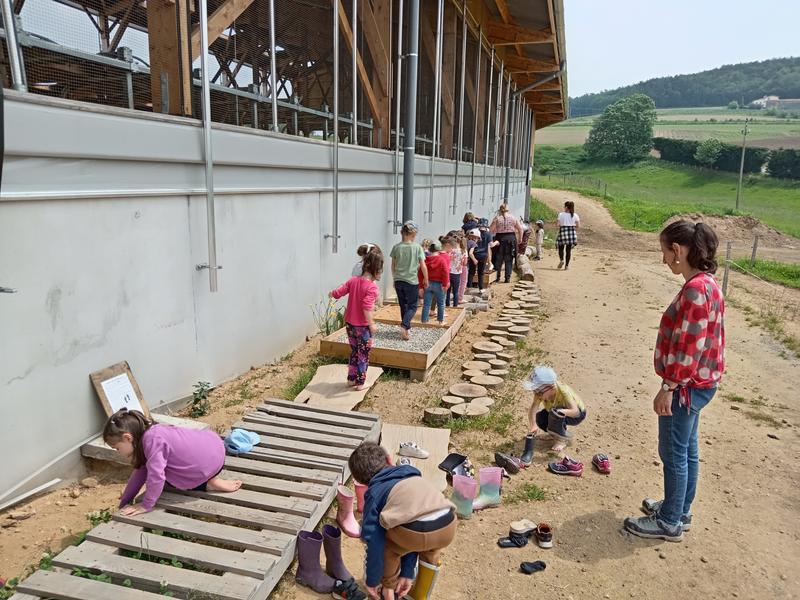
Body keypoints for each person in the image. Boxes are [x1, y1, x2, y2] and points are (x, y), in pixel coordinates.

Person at [624, 220, 725, 543]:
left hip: (684, 387)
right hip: (700, 383)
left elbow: (689, 347)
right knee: (688, 450)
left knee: (674, 453)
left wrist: (669, 387)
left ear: (678, 251)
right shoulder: (709, 283)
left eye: (664, 252)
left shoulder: (695, 290)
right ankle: (679, 508)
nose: (664, 259)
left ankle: (669, 522)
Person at [349, 442, 457, 600]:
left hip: (413, 531)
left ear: (362, 482)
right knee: (429, 549)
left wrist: (373, 580)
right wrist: (407, 573)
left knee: (389, 546)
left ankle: (388, 592)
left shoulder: (375, 491)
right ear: (389, 460)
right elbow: (415, 519)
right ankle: (419, 593)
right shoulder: (413, 476)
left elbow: (373, 538)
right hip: (447, 523)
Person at [104, 409, 242, 516]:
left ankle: (209, 483)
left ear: (127, 438)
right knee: (155, 468)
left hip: (204, 467)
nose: (118, 452)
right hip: (215, 447)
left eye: (117, 448)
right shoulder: (153, 431)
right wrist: (124, 503)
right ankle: (209, 477)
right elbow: (140, 471)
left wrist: (145, 505)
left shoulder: (151, 442)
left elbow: (156, 477)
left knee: (165, 479)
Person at [331, 247, 382, 390]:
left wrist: (332, 293)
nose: (381, 273)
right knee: (363, 354)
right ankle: (360, 383)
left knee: (354, 351)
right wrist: (371, 323)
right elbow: (367, 306)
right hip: (363, 327)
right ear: (375, 269)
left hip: (350, 325)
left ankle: (351, 379)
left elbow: (339, 291)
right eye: (380, 270)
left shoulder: (353, 281)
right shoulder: (372, 287)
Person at [521, 366, 587, 455]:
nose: (537, 394)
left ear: (551, 387)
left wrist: (560, 413)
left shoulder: (563, 391)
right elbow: (533, 409)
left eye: (539, 391)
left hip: (576, 414)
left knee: (555, 415)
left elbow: (575, 411)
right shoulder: (540, 394)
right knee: (540, 417)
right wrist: (533, 425)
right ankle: (553, 434)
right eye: (535, 390)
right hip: (554, 411)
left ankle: (561, 440)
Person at [390, 222, 428, 341]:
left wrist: (394, 277)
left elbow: (393, 265)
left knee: (403, 305)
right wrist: (426, 279)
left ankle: (406, 330)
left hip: (398, 280)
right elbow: (423, 265)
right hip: (411, 281)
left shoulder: (396, 247)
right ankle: (405, 325)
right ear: (414, 234)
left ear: (402, 233)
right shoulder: (417, 247)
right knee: (412, 306)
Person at [419, 239, 450, 325]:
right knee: (441, 304)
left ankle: (424, 321)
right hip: (439, 285)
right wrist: (445, 284)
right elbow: (445, 272)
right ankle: (440, 321)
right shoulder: (441, 260)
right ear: (439, 249)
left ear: (429, 249)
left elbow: (420, 273)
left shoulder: (425, 260)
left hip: (427, 284)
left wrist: (421, 287)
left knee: (426, 304)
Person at [489, 204, 523, 283]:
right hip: (511, 239)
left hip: (500, 239)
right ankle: (507, 278)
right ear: (508, 210)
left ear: (500, 210)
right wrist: (520, 238)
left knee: (498, 259)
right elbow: (520, 229)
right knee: (509, 259)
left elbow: (490, 230)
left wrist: (491, 239)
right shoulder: (513, 217)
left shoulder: (497, 218)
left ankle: (496, 277)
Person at [556, 201, 580, 270]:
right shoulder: (575, 215)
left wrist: (562, 225)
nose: (564, 207)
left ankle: (561, 260)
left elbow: (557, 225)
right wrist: (572, 226)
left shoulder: (561, 214)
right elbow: (578, 226)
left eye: (564, 206)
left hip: (563, 231)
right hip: (571, 233)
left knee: (561, 248)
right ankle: (566, 266)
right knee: (568, 250)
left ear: (566, 207)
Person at [445, 234, 463, 308]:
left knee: (448, 291)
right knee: (456, 291)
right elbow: (463, 262)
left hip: (449, 272)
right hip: (457, 272)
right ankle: (455, 305)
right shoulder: (462, 251)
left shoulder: (450, 251)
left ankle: (447, 304)